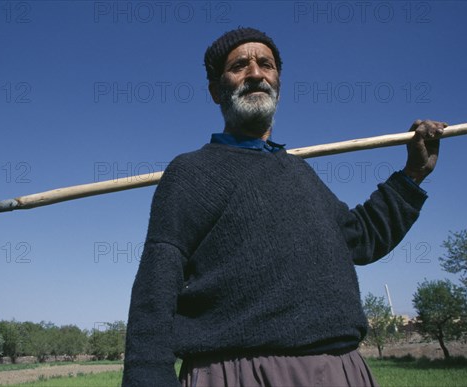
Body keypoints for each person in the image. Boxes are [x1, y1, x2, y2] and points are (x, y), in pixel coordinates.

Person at [122, 27, 446, 387]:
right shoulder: (192, 172)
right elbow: (156, 286)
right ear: (216, 90)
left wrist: (413, 174)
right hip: (238, 373)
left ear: (277, 82)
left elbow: (362, 239)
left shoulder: (298, 171)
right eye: (239, 65)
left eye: (266, 64)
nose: (256, 73)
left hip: (341, 371)